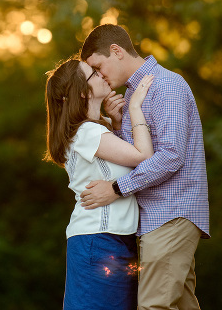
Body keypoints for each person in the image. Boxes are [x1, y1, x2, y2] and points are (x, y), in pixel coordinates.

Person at [78, 24, 209, 310]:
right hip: (155, 218)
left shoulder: (166, 85)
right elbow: (138, 157)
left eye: (98, 67)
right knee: (183, 305)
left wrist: (116, 189)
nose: (99, 77)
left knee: (153, 306)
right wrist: (116, 124)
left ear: (116, 51)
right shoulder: (132, 96)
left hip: (171, 213)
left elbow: (172, 155)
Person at [45, 57, 156, 310]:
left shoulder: (99, 128)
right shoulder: (86, 132)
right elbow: (144, 158)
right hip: (99, 240)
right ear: (83, 93)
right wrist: (135, 107)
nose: (101, 74)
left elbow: (126, 163)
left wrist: (117, 122)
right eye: (93, 74)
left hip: (111, 239)